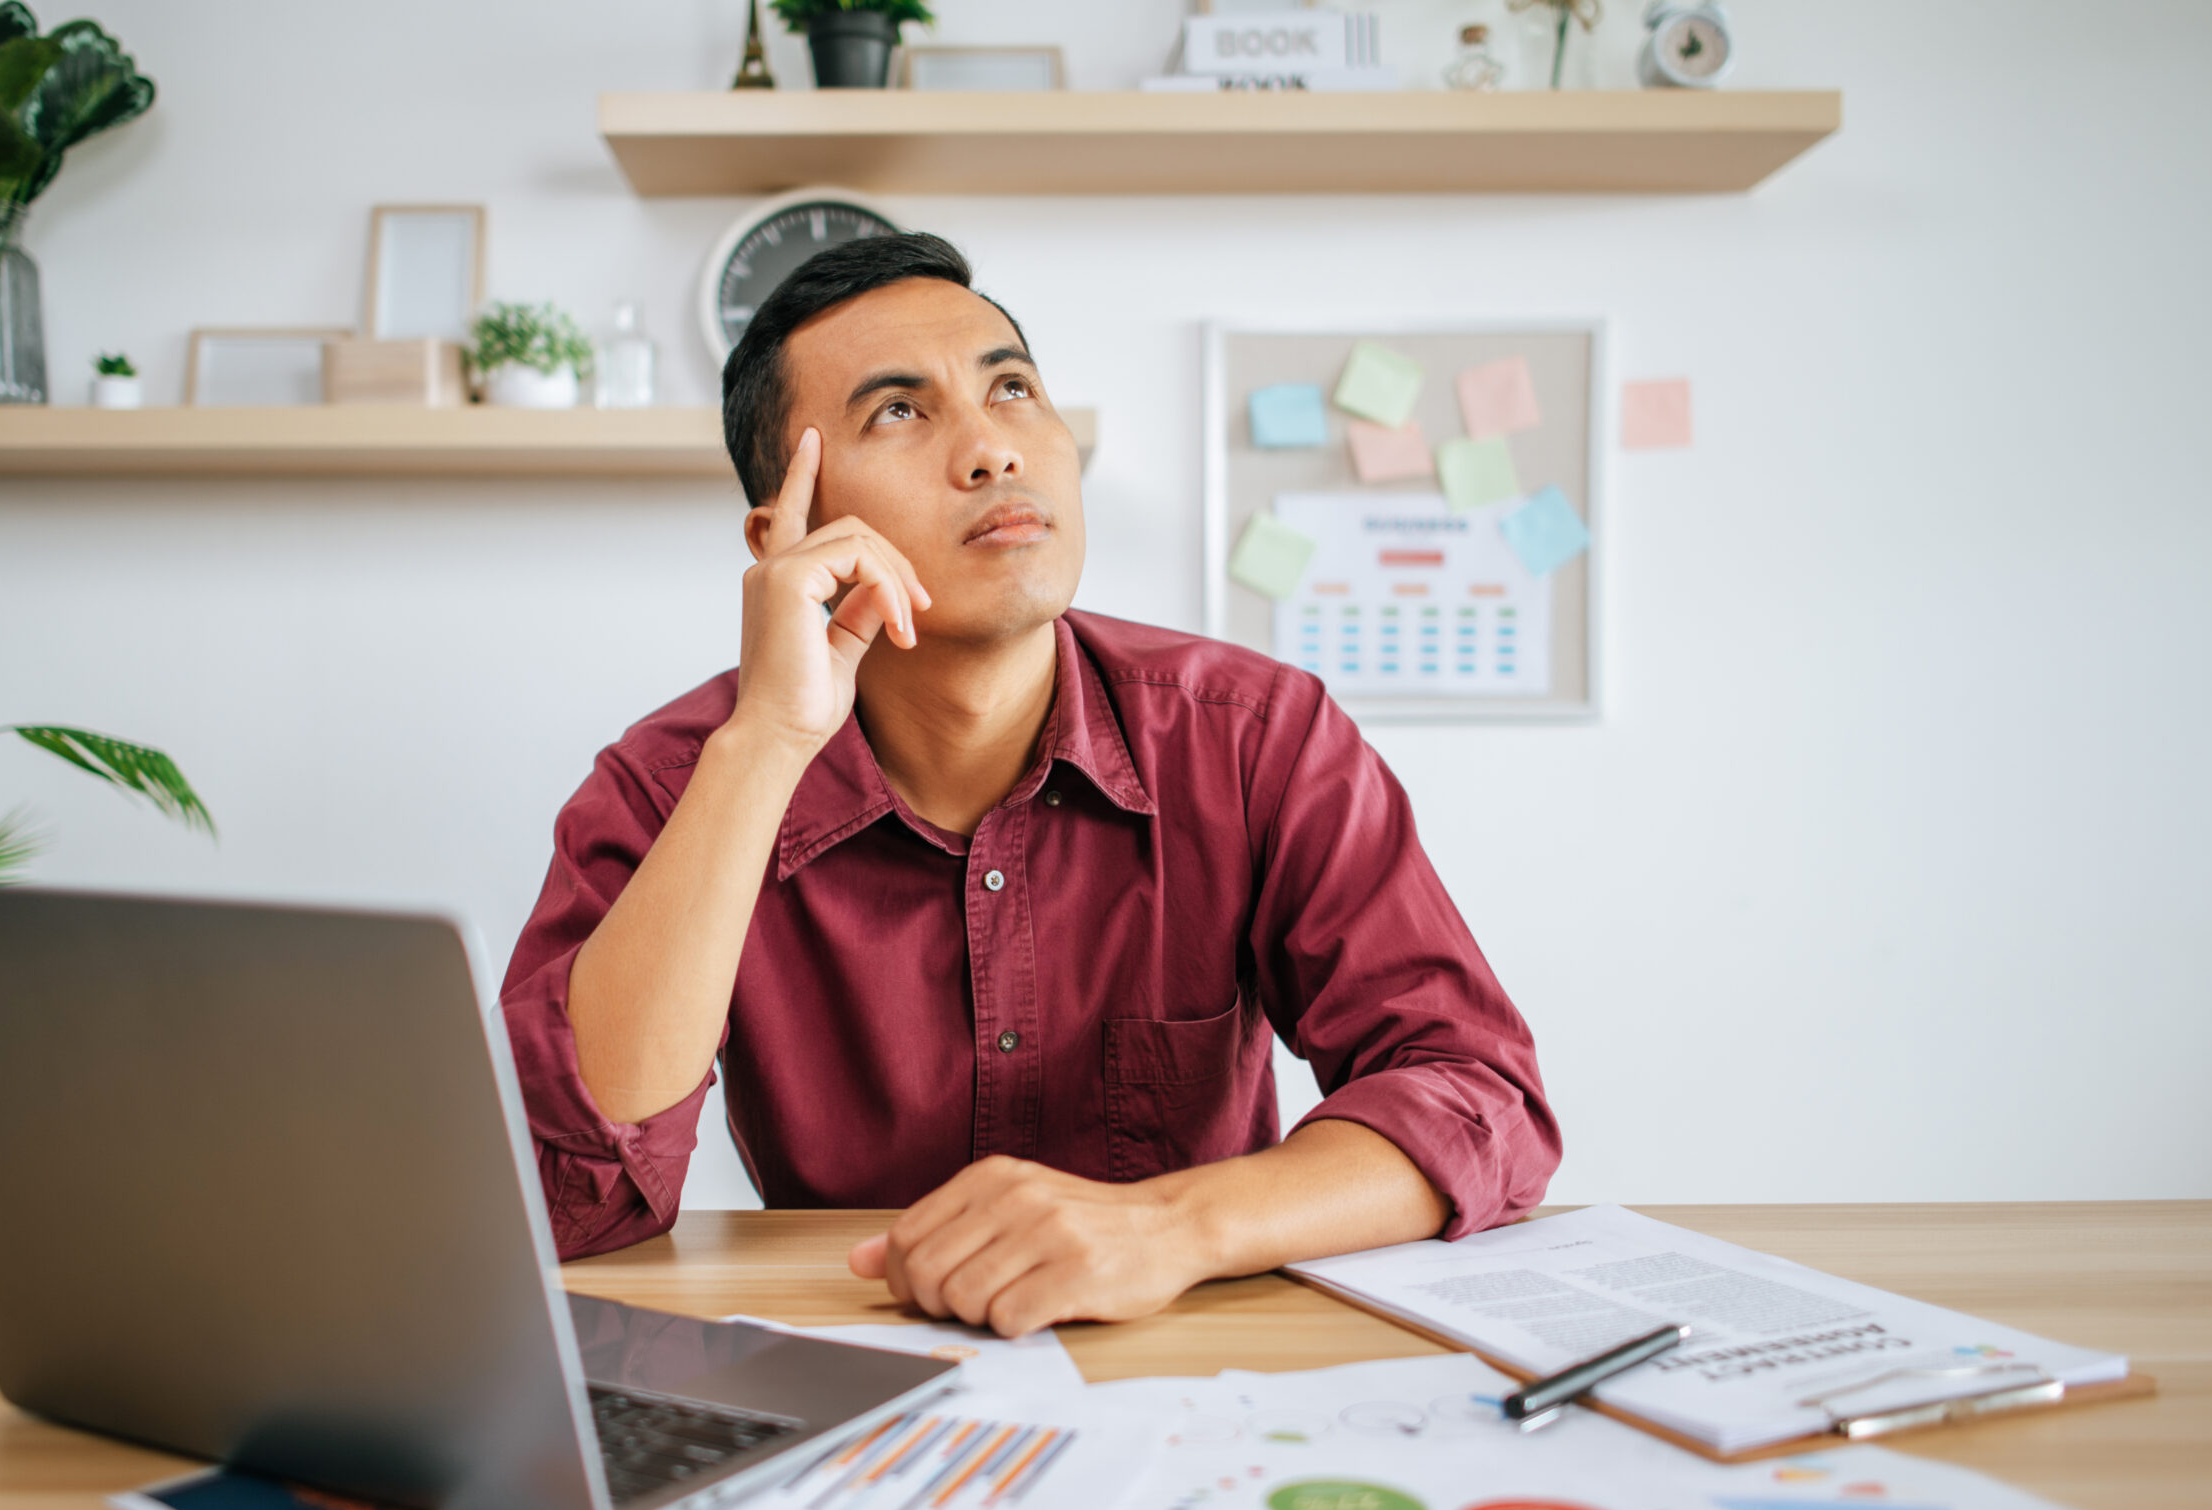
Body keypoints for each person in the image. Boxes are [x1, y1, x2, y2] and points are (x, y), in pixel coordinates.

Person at [503, 233, 1557, 1338]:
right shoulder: (670, 786)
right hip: (859, 1362)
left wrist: (1169, 1227)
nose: (991, 449)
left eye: (1011, 388)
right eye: (898, 412)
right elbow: (563, 1193)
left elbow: (1480, 1097)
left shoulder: (1256, 738)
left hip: (1198, 1356)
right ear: (787, 534)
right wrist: (767, 738)